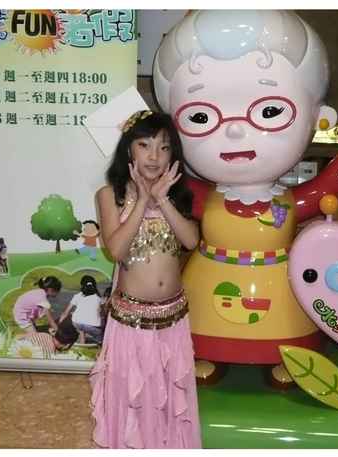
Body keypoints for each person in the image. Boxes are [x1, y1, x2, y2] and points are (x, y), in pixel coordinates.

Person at [153, 10, 338, 385]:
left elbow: (321, 193)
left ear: (318, 119)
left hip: (279, 283)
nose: (234, 132)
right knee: (202, 325)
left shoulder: (287, 200)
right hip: (208, 281)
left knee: (287, 328)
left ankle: (287, 356)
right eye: (200, 117)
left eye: (270, 111)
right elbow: (173, 187)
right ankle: (205, 352)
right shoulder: (202, 195)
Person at [90, 110, 201, 449]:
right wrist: (141, 200)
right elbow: (116, 249)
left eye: (164, 148)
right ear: (129, 149)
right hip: (130, 323)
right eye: (145, 145)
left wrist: (163, 199)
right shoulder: (110, 195)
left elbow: (190, 241)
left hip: (173, 320)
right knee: (132, 401)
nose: (154, 156)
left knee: (169, 401)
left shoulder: (178, 194)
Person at [59, 275, 103, 345]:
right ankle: (99, 342)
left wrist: (59, 327)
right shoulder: (98, 298)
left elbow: (65, 313)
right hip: (93, 327)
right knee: (100, 334)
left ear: (82, 285)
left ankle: (82, 342)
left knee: (78, 319)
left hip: (77, 324)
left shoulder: (77, 296)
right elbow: (102, 313)